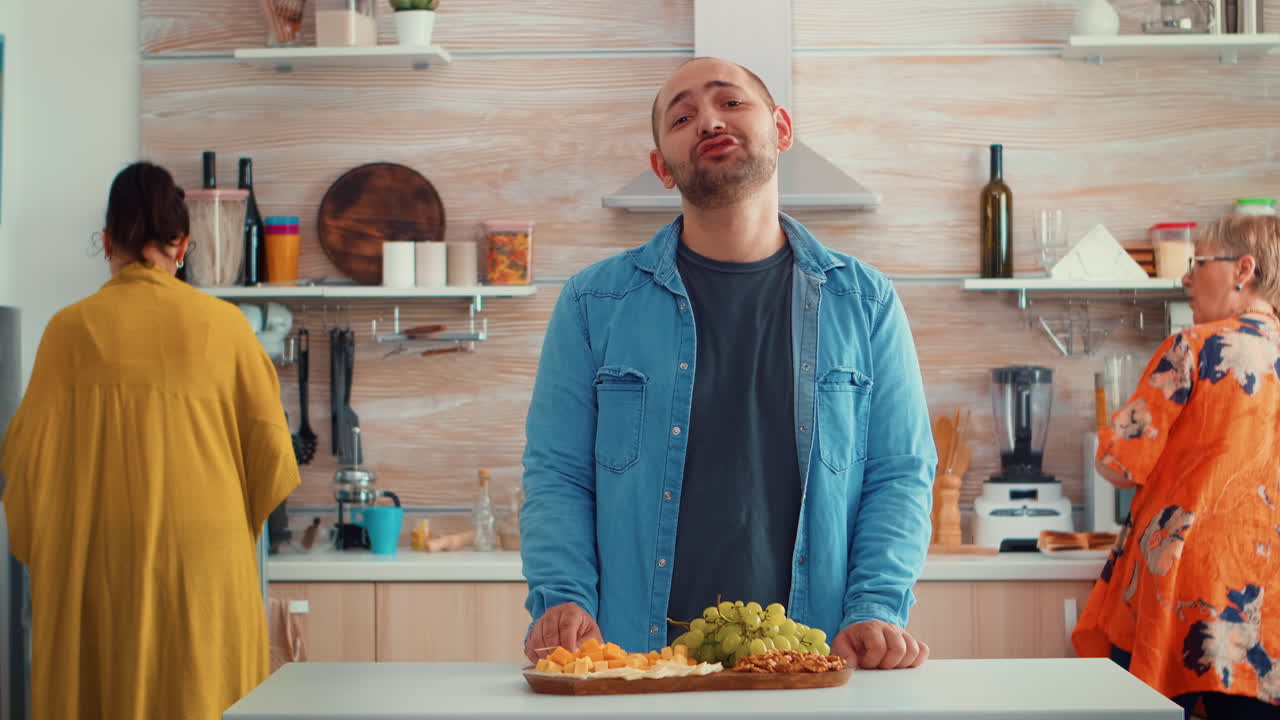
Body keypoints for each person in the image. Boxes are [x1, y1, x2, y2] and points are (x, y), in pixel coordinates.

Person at [519, 57, 936, 671]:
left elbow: (899, 473)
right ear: (662, 166)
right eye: (682, 116)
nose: (708, 120)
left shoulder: (865, 301)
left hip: (813, 663)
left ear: (782, 129)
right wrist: (564, 596)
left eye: (730, 103)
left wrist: (875, 606)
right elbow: (557, 472)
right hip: (637, 664)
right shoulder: (594, 302)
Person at [0, 162, 301, 719]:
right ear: (182, 244)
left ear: (108, 240)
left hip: (99, 568)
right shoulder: (228, 327)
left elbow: (24, 465)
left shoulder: (69, 331)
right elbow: (273, 460)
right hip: (203, 574)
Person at [1073, 215, 1280, 719]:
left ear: (1243, 269)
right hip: (1268, 599)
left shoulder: (1197, 347)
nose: (1185, 278)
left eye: (1198, 263)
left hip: (1193, 588)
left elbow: (1117, 462)